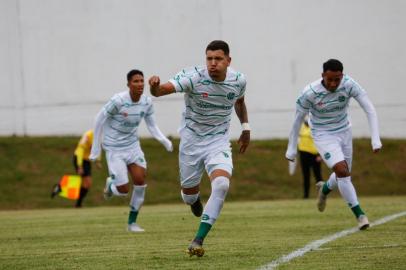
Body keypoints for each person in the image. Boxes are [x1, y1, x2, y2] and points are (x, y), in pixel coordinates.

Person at [148, 40, 250, 257]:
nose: (213, 63)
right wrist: (155, 86)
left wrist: (246, 128)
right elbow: (160, 92)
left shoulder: (239, 80)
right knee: (188, 195)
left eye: (218, 59)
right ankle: (194, 202)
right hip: (191, 142)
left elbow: (239, 102)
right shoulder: (193, 77)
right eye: (209, 59)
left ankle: (198, 239)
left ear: (228, 61)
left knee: (221, 184)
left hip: (218, 141)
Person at [286, 59, 382, 230]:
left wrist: (375, 139)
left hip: (344, 131)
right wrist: (291, 148)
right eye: (329, 79)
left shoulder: (349, 84)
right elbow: (297, 120)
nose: (333, 84)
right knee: (342, 172)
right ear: (323, 75)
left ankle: (324, 190)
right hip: (323, 135)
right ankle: (360, 215)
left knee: (343, 175)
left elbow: (369, 108)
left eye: (337, 79)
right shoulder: (310, 92)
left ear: (342, 76)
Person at [89, 69, 173, 233]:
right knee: (123, 190)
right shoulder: (118, 101)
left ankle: (132, 223)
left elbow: (151, 125)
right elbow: (99, 119)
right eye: (136, 81)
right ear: (128, 84)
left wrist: (164, 140)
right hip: (114, 149)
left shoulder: (147, 102)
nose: (140, 84)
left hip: (133, 147)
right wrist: (95, 150)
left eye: (142, 81)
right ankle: (111, 185)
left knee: (140, 182)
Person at [73, 129, 101, 207]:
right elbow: (80, 151)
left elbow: (97, 149)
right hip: (79, 158)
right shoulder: (88, 135)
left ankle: (78, 203)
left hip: (87, 160)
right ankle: (78, 203)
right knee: (87, 182)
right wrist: (79, 166)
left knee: (87, 184)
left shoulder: (99, 137)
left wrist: (98, 161)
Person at [298, 118, 323, 198]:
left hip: (314, 155)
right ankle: (306, 196)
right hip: (303, 154)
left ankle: (322, 194)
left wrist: (320, 155)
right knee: (306, 176)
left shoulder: (316, 128)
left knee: (318, 176)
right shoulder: (302, 127)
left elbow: (321, 142)